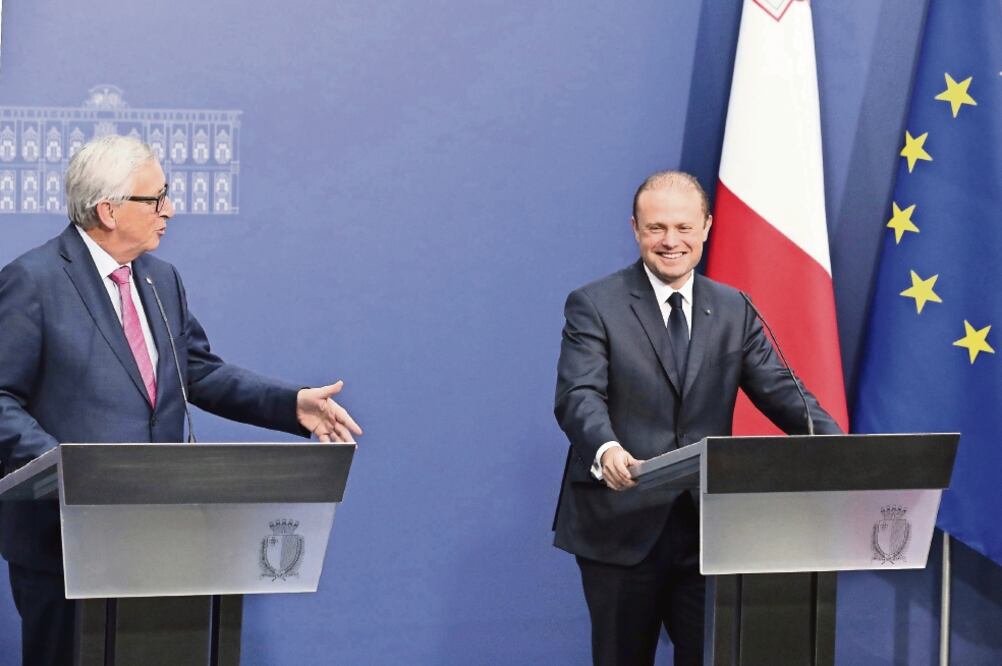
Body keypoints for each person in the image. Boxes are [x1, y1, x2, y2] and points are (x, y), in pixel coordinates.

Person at [0, 134, 363, 666]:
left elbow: (197, 370)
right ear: (108, 209)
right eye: (156, 198)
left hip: (160, 532)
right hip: (65, 543)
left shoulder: (160, 279)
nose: (170, 210)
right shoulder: (33, 280)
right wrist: (63, 469)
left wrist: (291, 404)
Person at [552, 170, 841, 666]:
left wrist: (841, 448)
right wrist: (606, 447)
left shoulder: (734, 308)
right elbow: (579, 394)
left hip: (707, 531)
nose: (671, 241)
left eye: (684, 227)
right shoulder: (594, 304)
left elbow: (780, 391)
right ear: (635, 229)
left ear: (706, 227)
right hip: (621, 524)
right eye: (657, 228)